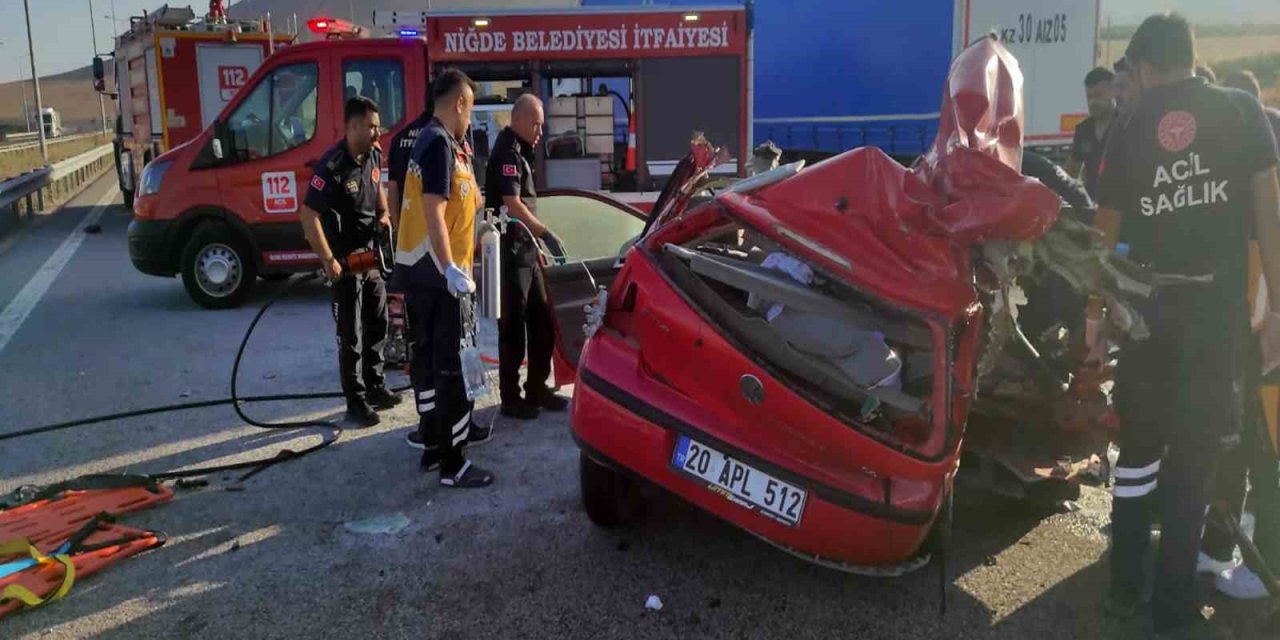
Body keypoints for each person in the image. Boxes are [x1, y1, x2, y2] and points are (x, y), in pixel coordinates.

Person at [1091, 13, 1280, 638]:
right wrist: (1276, 311)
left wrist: (1094, 314)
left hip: (1147, 317)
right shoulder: (1243, 113)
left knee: (1139, 453)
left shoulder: (1128, 127)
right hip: (1214, 322)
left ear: (1143, 68)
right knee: (1194, 464)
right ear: (1192, 57)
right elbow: (1269, 217)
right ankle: (1172, 610)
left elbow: (1105, 234)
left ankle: (1123, 591)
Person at [1197, 67, 1280, 601]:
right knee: (1238, 440)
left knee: (1268, 450)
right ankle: (1220, 546)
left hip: (1265, 328)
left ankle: (1267, 564)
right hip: (1253, 326)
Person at [393, 68, 495, 488]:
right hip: (437, 278)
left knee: (434, 362)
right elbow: (434, 209)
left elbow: (456, 203)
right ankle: (455, 464)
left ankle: (436, 448)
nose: (470, 119)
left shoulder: (443, 142)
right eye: (470, 109)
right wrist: (451, 267)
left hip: (425, 275)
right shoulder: (438, 143)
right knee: (450, 366)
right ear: (459, 104)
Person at [300, 96, 402, 427]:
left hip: (370, 255)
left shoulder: (373, 154)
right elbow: (308, 215)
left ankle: (375, 387)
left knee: (378, 323)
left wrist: (385, 215)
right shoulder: (332, 165)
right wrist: (328, 259)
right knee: (351, 333)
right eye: (372, 126)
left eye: (378, 126)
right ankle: (355, 402)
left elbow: (378, 191)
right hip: (344, 261)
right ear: (353, 126)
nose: (378, 133)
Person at [485, 94, 570, 420]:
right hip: (508, 253)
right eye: (535, 123)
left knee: (542, 322)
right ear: (517, 119)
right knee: (512, 328)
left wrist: (538, 242)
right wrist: (546, 233)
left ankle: (537, 388)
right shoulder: (507, 151)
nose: (539, 131)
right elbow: (513, 204)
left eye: (542, 125)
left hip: (526, 251)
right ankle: (511, 397)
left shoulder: (521, 150)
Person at [1066, 67, 1118, 198]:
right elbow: (1071, 171)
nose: (1093, 102)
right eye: (1089, 97)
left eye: (1099, 95)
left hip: (1122, 207)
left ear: (1114, 91)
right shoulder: (1083, 130)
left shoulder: (1126, 125)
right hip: (1092, 208)